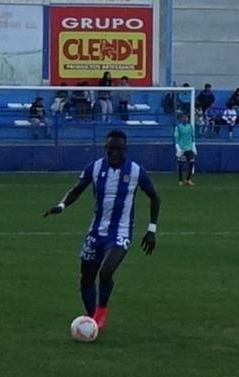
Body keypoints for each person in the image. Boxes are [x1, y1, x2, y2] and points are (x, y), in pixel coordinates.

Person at [43, 130, 161, 330]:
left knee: (105, 273)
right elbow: (77, 189)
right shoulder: (95, 167)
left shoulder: (135, 171)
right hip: (96, 231)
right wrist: (61, 206)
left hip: (121, 232)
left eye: (118, 149)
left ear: (125, 149)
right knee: (86, 279)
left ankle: (100, 313)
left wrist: (151, 229)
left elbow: (154, 197)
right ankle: (92, 321)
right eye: (110, 148)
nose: (114, 153)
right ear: (106, 148)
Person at [175, 113, 197, 186]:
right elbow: (176, 137)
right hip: (182, 148)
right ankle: (180, 180)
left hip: (189, 148)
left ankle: (188, 179)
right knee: (181, 164)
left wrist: (194, 146)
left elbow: (192, 137)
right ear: (181, 119)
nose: (185, 119)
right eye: (183, 118)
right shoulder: (178, 127)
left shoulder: (190, 126)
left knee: (191, 163)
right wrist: (178, 148)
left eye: (186, 118)